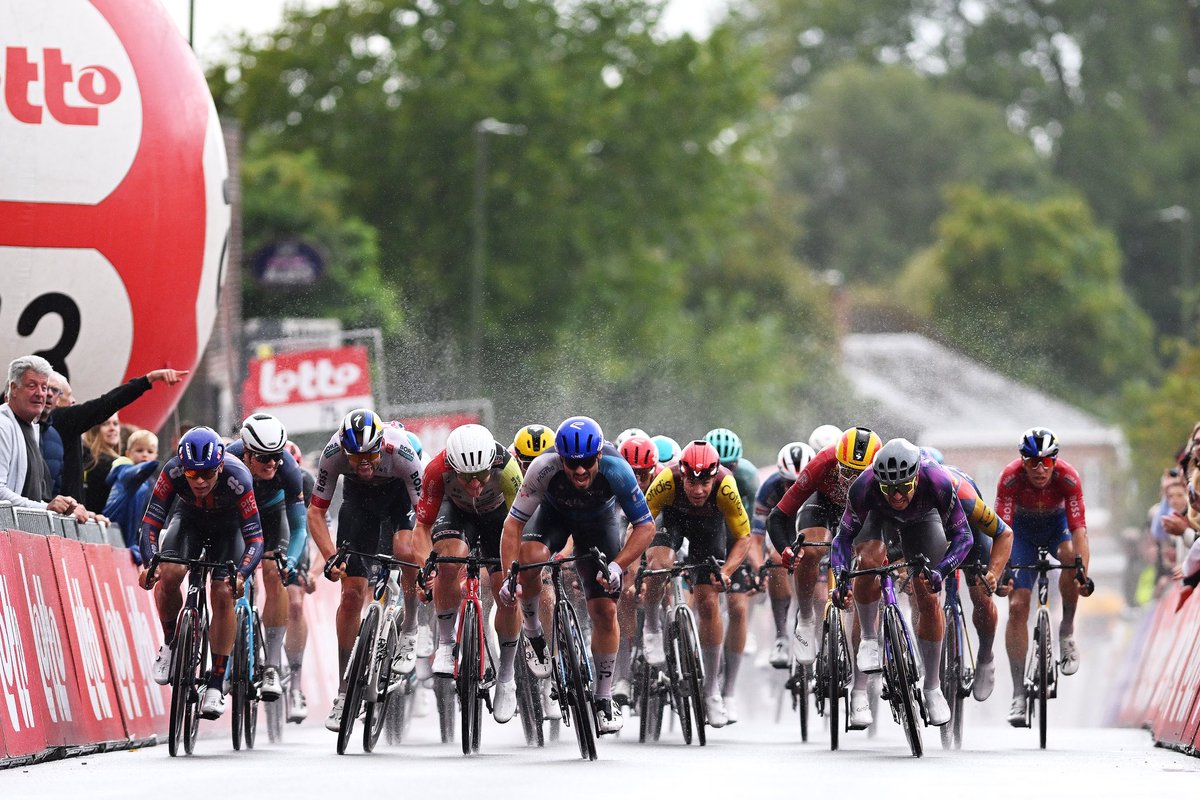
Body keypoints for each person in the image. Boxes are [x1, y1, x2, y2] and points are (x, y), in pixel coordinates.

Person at [499, 416, 656, 734]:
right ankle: (533, 631)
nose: (580, 470)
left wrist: (617, 566)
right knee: (530, 558)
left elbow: (645, 526)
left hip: (599, 525)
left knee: (605, 610)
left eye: (587, 462)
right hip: (553, 519)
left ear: (598, 455)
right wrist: (508, 577)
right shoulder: (543, 467)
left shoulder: (617, 468)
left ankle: (604, 697)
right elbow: (513, 525)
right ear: (561, 458)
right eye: (572, 464)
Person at [832, 438, 973, 729]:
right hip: (877, 517)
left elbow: (964, 536)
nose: (896, 495)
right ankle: (869, 639)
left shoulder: (937, 480)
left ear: (916, 478)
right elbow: (842, 539)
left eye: (903, 487)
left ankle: (932, 687)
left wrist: (941, 571)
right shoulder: (864, 486)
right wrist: (841, 577)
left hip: (923, 519)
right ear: (878, 482)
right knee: (868, 561)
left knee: (927, 590)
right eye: (889, 488)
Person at [307, 408, 424, 731]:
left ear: (381, 445)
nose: (363, 464)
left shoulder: (401, 450)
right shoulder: (333, 452)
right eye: (356, 457)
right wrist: (331, 557)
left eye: (370, 455)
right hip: (358, 504)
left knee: (404, 550)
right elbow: (315, 513)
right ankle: (344, 692)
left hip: (400, 501)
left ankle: (410, 627)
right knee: (351, 595)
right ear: (344, 450)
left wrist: (426, 565)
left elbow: (424, 516)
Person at [138, 426, 264, 719]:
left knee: (222, 592)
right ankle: (170, 644)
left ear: (220, 467)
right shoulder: (172, 472)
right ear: (183, 468)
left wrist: (241, 574)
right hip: (188, 521)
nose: (199, 481)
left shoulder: (238, 477)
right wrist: (149, 565)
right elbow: (151, 522)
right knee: (170, 572)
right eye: (192, 473)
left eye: (207, 473)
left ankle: (216, 684)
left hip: (228, 529)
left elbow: (256, 538)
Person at [413, 423, 524, 722]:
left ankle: (507, 677)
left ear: (492, 464)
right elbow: (421, 528)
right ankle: (446, 643)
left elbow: (522, 524)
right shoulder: (437, 470)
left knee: (506, 592)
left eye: (481, 475)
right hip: (457, 512)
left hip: (499, 519)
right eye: (466, 477)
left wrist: (516, 571)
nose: (474, 484)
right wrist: (427, 567)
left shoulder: (508, 468)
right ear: (452, 467)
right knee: (448, 561)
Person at [640, 439, 751, 728]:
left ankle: (712, 690)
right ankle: (652, 625)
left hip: (708, 530)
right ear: (682, 475)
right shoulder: (667, 480)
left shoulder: (726, 486)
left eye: (705, 483)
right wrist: (636, 565)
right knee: (659, 565)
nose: (699, 490)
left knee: (709, 601)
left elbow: (744, 537)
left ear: (714, 477)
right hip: (672, 522)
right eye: (692, 482)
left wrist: (726, 571)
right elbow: (640, 523)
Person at [995, 426, 1093, 726]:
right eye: (1033, 462)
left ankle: (1066, 630)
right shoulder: (1010, 478)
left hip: (1056, 527)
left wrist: (1082, 573)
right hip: (1020, 533)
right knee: (1017, 606)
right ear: (1023, 462)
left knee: (1070, 558)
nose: (1040, 469)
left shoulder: (1068, 477)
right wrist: (1002, 571)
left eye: (1047, 461)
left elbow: (1079, 531)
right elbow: (1001, 531)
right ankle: (1018, 694)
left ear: (1055, 461)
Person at [766, 427, 882, 673]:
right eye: (846, 472)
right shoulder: (822, 463)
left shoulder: (882, 475)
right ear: (836, 462)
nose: (851, 482)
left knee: (869, 562)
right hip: (824, 503)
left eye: (860, 475)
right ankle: (806, 619)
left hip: (862, 509)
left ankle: (866, 650)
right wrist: (785, 549)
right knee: (809, 549)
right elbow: (778, 515)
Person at [225, 413, 309, 702]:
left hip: (273, 517)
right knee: (230, 577)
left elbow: (299, 528)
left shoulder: (289, 469)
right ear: (247, 453)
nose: (272, 463)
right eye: (263, 457)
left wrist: (291, 562)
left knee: (275, 573)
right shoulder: (229, 460)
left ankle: (272, 664)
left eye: (276, 456)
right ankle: (226, 656)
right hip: (237, 515)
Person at [44, 367, 188, 502]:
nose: (73, 400)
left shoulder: (69, 438)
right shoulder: (63, 420)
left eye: (115, 423)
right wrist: (148, 380)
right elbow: (105, 404)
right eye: (68, 395)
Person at [939, 462, 1013, 701]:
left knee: (981, 594)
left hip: (971, 531)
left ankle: (985, 655)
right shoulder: (909, 494)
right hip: (932, 529)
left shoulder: (965, 496)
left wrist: (993, 574)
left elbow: (1004, 533)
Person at [702, 427, 759, 723]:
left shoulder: (747, 477)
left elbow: (751, 529)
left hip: (735, 539)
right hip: (703, 537)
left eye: (731, 467)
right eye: (719, 467)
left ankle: (729, 691)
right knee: (701, 602)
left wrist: (756, 564)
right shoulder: (697, 479)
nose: (725, 473)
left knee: (738, 608)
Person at [612, 433, 663, 706]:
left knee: (663, 574)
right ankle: (622, 674)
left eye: (644, 475)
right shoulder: (613, 484)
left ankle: (668, 640)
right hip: (628, 541)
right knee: (625, 592)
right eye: (632, 474)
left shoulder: (663, 483)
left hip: (659, 540)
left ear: (654, 470)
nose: (638, 481)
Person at [753, 441, 815, 667]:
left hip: (811, 524)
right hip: (781, 527)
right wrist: (759, 567)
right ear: (781, 478)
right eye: (789, 483)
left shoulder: (820, 484)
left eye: (800, 483)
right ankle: (781, 637)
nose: (795, 489)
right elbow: (756, 536)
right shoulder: (769, 487)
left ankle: (819, 632)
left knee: (818, 580)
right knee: (776, 562)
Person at [0, 355, 86, 517]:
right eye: (32, 386)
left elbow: (30, 497)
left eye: (44, 387)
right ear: (14, 388)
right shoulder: (2, 425)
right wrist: (46, 508)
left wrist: (64, 509)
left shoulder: (31, 428)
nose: (41, 394)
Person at [102, 429, 160, 560]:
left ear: (156, 455)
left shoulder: (153, 484)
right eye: (139, 450)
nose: (145, 455)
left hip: (134, 541)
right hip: (115, 535)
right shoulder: (124, 471)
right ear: (128, 453)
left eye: (150, 452)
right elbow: (130, 475)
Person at [82, 413, 122, 513]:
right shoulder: (105, 464)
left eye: (115, 423)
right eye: (105, 424)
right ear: (94, 429)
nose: (112, 428)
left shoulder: (86, 459)